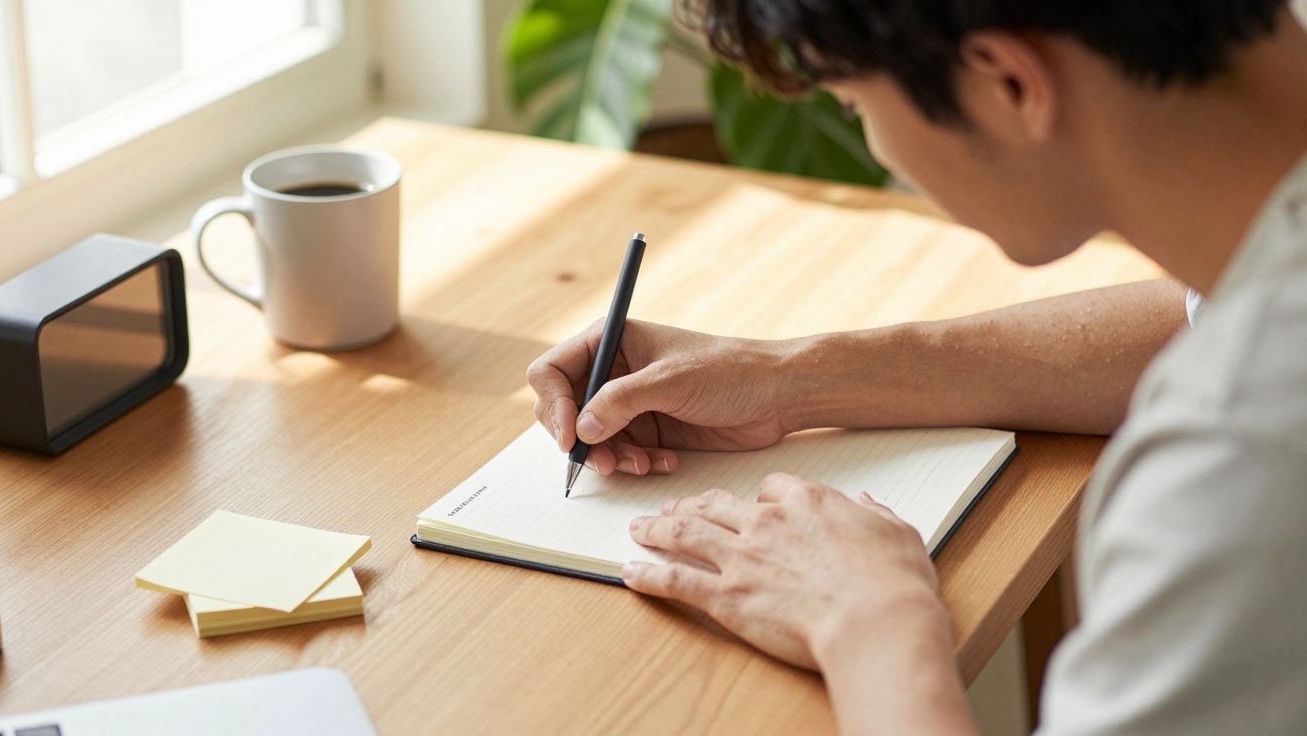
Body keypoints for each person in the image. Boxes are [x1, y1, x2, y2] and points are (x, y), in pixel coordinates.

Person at [527, 1, 1307, 733]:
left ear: (1006, 83)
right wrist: (791, 378)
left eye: (855, 106)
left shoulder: (1237, 458)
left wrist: (873, 620)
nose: (872, 140)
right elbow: (1205, 312)